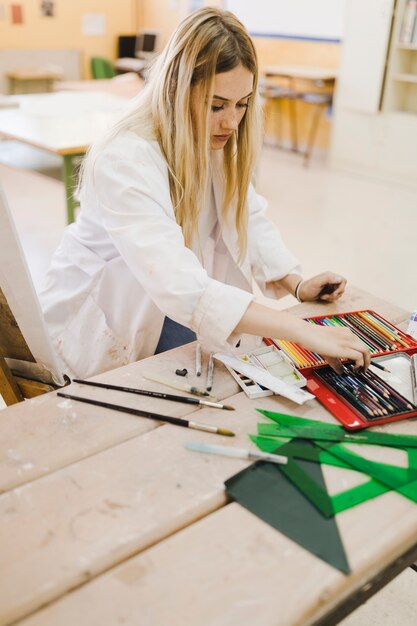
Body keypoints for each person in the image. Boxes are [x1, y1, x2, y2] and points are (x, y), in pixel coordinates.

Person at [39, 7, 370, 379]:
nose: (231, 121)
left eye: (242, 104)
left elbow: (247, 216)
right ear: (177, 89)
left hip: (175, 314)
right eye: (216, 105)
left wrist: (295, 283)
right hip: (104, 332)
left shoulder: (213, 142)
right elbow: (177, 283)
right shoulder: (125, 157)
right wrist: (303, 332)